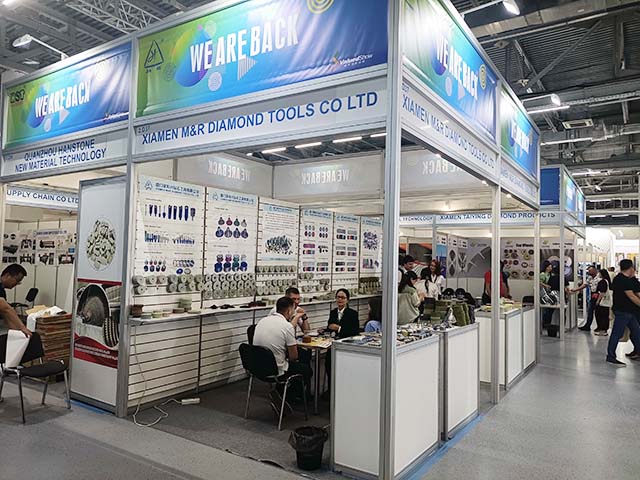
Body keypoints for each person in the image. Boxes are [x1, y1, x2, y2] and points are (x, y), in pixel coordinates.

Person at [254, 296, 312, 402]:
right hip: (276, 369)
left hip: (257, 366)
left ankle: (283, 392)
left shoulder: (262, 321)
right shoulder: (287, 326)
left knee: (302, 355)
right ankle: (290, 395)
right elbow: (294, 357)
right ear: (289, 311)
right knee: (306, 370)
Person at [606, 259, 640, 366]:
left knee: (636, 332)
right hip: (623, 311)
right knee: (617, 333)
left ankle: (638, 352)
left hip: (628, 311)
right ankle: (611, 356)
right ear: (630, 268)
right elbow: (632, 296)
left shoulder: (619, 278)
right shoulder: (623, 280)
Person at [0, 264, 31, 337]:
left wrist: (17, 332)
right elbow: (6, 309)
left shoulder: (2, 290)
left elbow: (5, 314)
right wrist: (22, 328)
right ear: (7, 275)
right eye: (17, 280)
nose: (16, 284)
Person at [574, 265, 600, 332]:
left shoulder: (599, 277)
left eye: (590, 270)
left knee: (598, 313)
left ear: (595, 270)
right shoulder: (590, 277)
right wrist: (576, 289)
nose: (589, 272)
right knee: (590, 311)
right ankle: (587, 326)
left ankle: (600, 327)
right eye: (588, 271)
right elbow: (585, 285)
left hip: (599, 295)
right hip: (592, 295)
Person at [594, 269, 612, 336]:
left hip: (602, 302)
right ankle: (604, 330)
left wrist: (598, 301)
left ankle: (602, 330)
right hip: (606, 302)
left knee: (601, 316)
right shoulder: (607, 281)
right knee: (605, 315)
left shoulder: (603, 282)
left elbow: (602, 292)